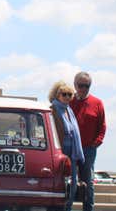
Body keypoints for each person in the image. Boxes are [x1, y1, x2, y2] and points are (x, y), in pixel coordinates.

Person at [69, 72, 106, 211]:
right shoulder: (68, 100)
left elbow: (102, 126)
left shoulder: (97, 103)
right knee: (70, 181)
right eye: (81, 85)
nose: (83, 88)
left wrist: (97, 142)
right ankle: (68, 208)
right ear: (75, 85)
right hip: (70, 148)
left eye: (87, 86)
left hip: (88, 149)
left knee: (88, 182)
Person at [50, 81, 84, 211]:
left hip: (73, 153)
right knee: (61, 187)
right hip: (60, 153)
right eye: (64, 94)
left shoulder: (69, 111)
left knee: (73, 186)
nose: (67, 97)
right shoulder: (52, 110)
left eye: (70, 94)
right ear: (57, 95)